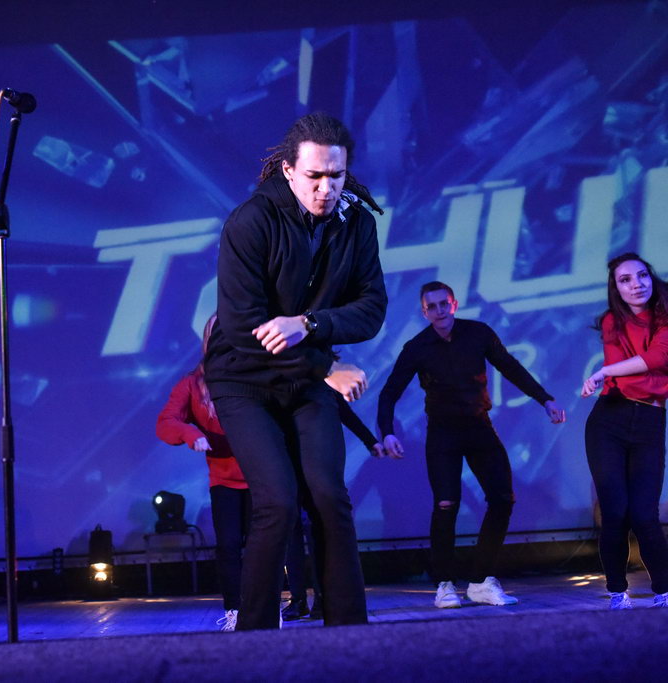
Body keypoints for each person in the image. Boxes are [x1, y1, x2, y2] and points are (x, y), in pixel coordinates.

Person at [204, 112, 387, 630]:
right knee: (278, 502)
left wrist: (309, 324)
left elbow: (371, 308)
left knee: (329, 495)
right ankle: (257, 631)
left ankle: (348, 631)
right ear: (288, 170)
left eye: (337, 175)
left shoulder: (357, 224)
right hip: (244, 378)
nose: (326, 188)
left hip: (305, 377)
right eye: (314, 176)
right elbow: (242, 327)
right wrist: (326, 365)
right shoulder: (250, 221)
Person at [376, 281, 566, 609]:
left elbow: (511, 367)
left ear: (454, 304)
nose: (439, 311)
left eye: (444, 304)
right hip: (443, 434)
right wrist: (388, 432)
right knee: (446, 505)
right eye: (432, 306)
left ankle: (480, 581)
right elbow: (389, 392)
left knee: (503, 499)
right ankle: (445, 585)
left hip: (480, 427)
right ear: (424, 312)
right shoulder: (417, 347)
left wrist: (545, 399)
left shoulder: (478, 333)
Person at [580, 252, 668, 609]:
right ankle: (618, 592)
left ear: (651, 277)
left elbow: (659, 357)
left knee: (645, 515)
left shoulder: (665, 316)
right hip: (609, 422)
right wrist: (641, 376)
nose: (637, 285)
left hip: (649, 423)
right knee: (614, 513)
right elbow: (633, 376)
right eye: (626, 280)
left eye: (642, 276)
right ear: (616, 288)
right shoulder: (611, 321)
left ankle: (664, 592)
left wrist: (605, 372)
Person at [156, 314, 249, 632]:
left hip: (262, 474)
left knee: (265, 545)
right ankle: (235, 610)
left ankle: (264, 605)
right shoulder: (192, 384)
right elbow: (166, 422)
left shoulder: (254, 375)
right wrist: (190, 433)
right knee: (229, 545)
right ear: (208, 342)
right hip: (225, 480)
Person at [282, 372, 389, 621]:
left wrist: (370, 441)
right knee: (291, 530)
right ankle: (298, 600)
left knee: (317, 528)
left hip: (314, 458)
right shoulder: (273, 375)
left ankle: (322, 598)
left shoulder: (317, 375)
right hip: (285, 457)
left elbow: (340, 408)